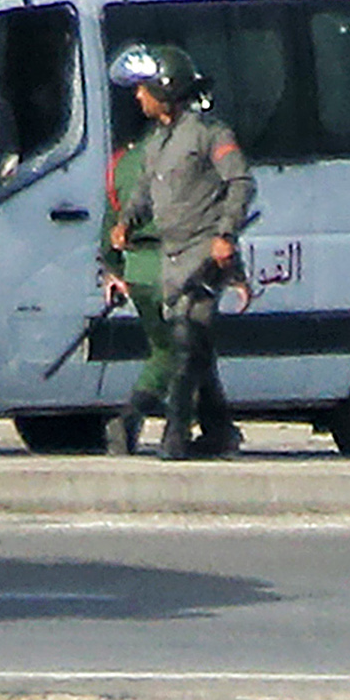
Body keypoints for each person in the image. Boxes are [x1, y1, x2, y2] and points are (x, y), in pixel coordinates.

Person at [110, 44, 251, 460]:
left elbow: (240, 183)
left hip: (203, 254)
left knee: (187, 342)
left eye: (145, 89)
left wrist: (225, 234)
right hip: (171, 260)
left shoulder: (210, 134)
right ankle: (220, 431)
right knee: (195, 348)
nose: (138, 97)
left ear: (165, 89)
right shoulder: (156, 142)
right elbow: (143, 192)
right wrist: (126, 223)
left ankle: (176, 437)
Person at [97, 135, 174, 455]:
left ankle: (216, 426)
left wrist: (113, 270)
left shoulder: (122, 163)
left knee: (182, 346)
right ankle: (134, 416)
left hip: (138, 269)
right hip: (179, 265)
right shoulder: (190, 156)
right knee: (174, 350)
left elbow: (110, 222)